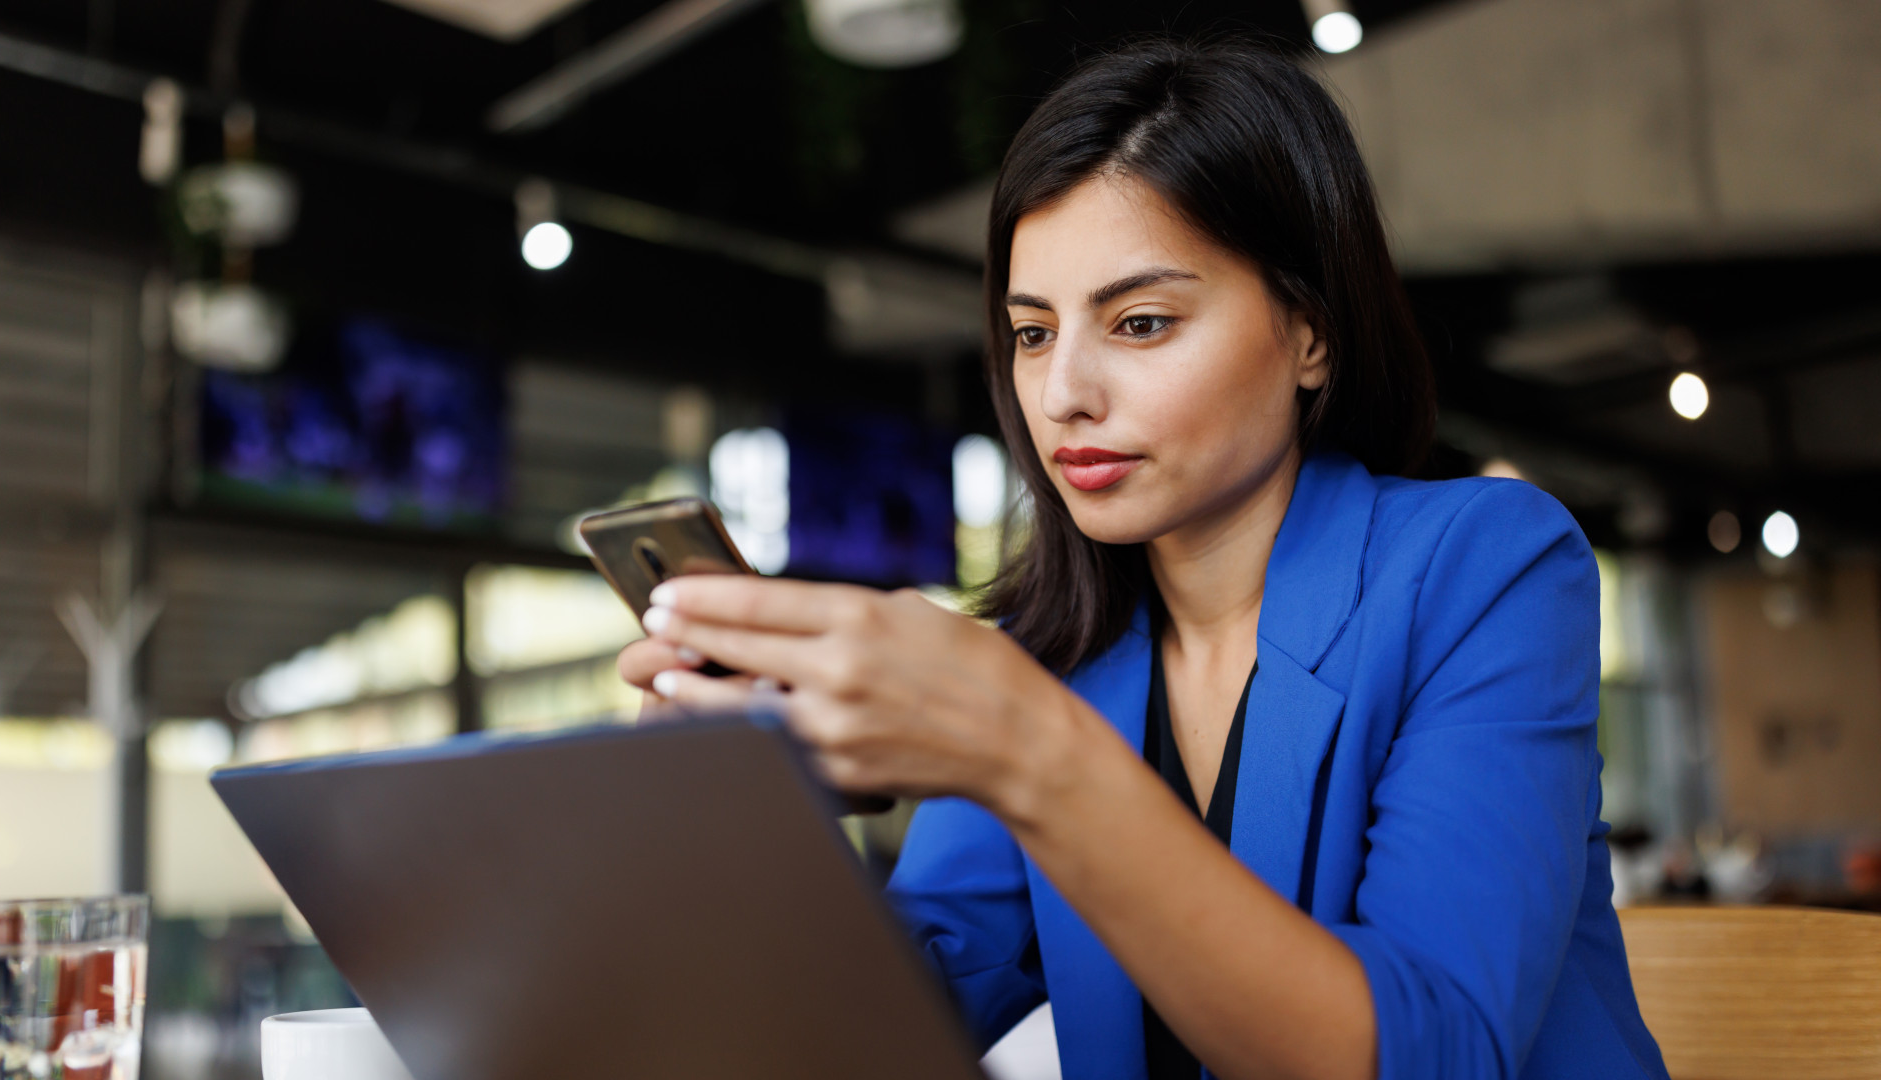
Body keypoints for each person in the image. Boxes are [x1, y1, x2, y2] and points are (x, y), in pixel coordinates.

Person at [619, 36, 1667, 1080]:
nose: (1063, 392)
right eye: (1031, 334)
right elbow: (873, 1040)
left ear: (1312, 334)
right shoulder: (1047, 655)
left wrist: (1028, 752)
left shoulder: (1486, 566)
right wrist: (745, 815)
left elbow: (1431, 1054)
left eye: (1142, 321)